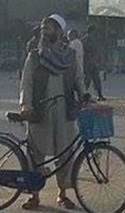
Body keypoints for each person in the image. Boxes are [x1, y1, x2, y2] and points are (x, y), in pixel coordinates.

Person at [18, 14, 89, 210]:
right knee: (35, 154)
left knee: (65, 154)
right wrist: (26, 105)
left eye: (48, 28)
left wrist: (84, 94)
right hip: (40, 111)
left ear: (60, 31)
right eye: (43, 28)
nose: (44, 31)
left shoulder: (70, 56)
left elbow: (78, 78)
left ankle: (62, 193)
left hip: (64, 110)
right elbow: (27, 82)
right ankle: (34, 195)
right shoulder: (35, 56)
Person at [82, 25, 105, 101]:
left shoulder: (95, 40)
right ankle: (82, 94)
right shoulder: (84, 40)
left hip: (94, 63)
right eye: (95, 31)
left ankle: (99, 95)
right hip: (87, 63)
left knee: (97, 80)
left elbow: (98, 51)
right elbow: (84, 52)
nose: (96, 33)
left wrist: (99, 60)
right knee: (87, 80)